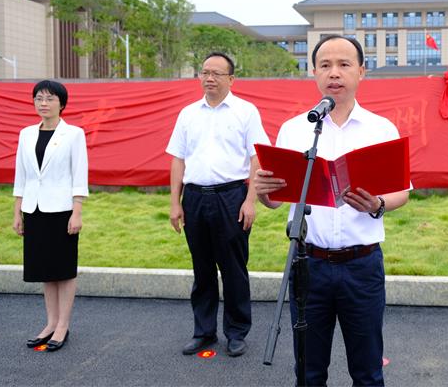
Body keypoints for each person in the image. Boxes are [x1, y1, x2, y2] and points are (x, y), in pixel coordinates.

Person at [253, 35, 410, 386]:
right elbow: (276, 201)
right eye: (325, 65)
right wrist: (263, 193)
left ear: (361, 72)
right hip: (308, 265)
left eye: (343, 64)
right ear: (313, 72)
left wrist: (378, 204)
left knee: (367, 372)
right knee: (308, 371)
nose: (334, 73)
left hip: (362, 267)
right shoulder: (295, 130)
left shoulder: (381, 129)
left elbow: (402, 192)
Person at [166, 52, 269, 357]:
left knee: (233, 268)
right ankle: (204, 331)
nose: (209, 78)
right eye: (205, 72)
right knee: (202, 269)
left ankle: (236, 332)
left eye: (217, 73)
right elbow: (178, 159)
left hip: (231, 196)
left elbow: (257, 157)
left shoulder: (245, 112)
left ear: (231, 79)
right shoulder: (188, 114)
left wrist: (250, 200)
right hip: (195, 197)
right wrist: (175, 202)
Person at [13, 80, 89, 352]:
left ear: (62, 103)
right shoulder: (26, 134)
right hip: (33, 209)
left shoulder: (74, 134)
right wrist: (18, 211)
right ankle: (50, 323)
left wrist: (77, 211)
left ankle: (63, 326)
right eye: (39, 98)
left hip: (62, 210)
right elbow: (21, 175)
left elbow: (79, 174)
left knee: (63, 269)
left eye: (49, 98)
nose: (43, 103)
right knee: (45, 269)